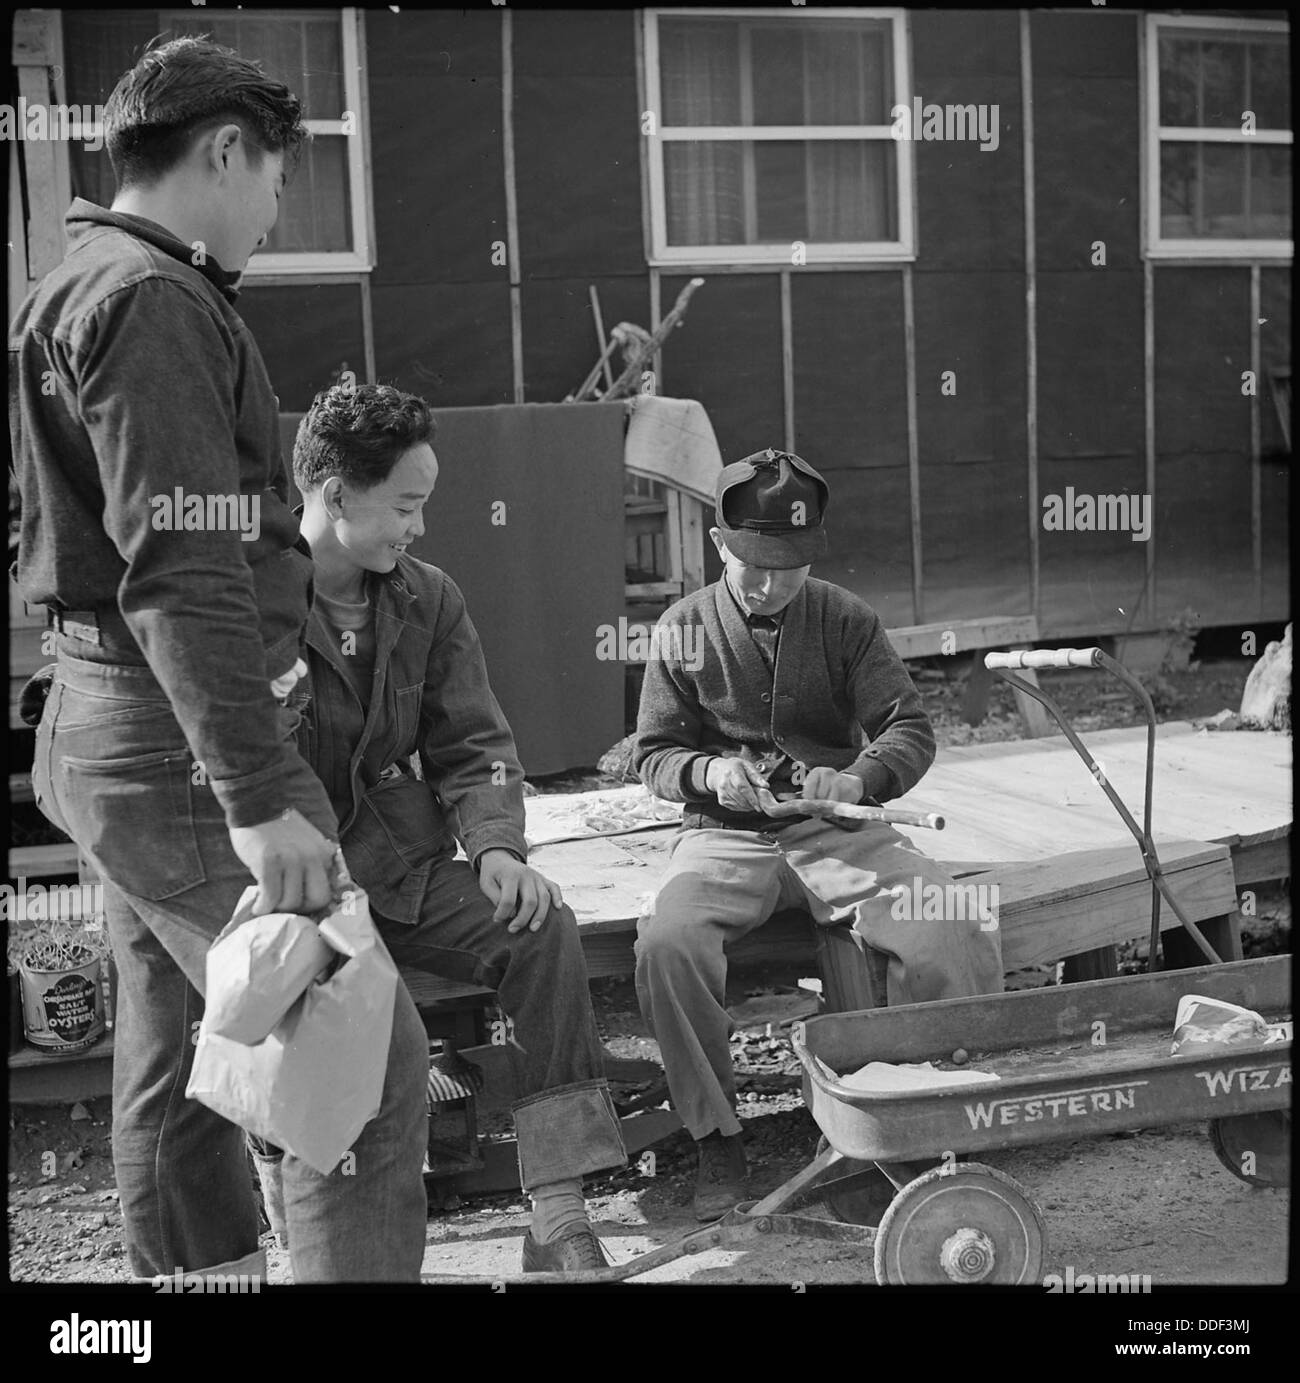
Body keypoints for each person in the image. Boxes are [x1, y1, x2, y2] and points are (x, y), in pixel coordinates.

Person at [9, 38, 429, 1282]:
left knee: (182, 1052)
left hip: (104, 724)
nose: (272, 214)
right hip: (179, 745)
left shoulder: (69, 280)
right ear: (226, 150)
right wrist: (255, 796)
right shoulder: (154, 299)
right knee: (351, 1059)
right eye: (275, 184)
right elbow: (180, 564)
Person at [288, 380, 628, 1271]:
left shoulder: (427, 599)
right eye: (406, 504)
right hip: (298, 894)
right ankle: (308, 1226)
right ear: (333, 496)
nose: (420, 527)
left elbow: (476, 743)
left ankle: (557, 1212)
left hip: (404, 869)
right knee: (366, 1025)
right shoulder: (251, 607)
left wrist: (499, 847)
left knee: (540, 923)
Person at [632, 449, 1004, 1221]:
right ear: (717, 541)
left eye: (791, 566)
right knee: (668, 941)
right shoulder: (681, 629)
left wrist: (860, 779)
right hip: (727, 833)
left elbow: (909, 727)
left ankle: (926, 1125)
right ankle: (717, 1135)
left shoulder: (843, 617)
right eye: (754, 564)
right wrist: (709, 775)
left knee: (951, 922)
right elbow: (653, 753)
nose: (772, 585)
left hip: (838, 829)